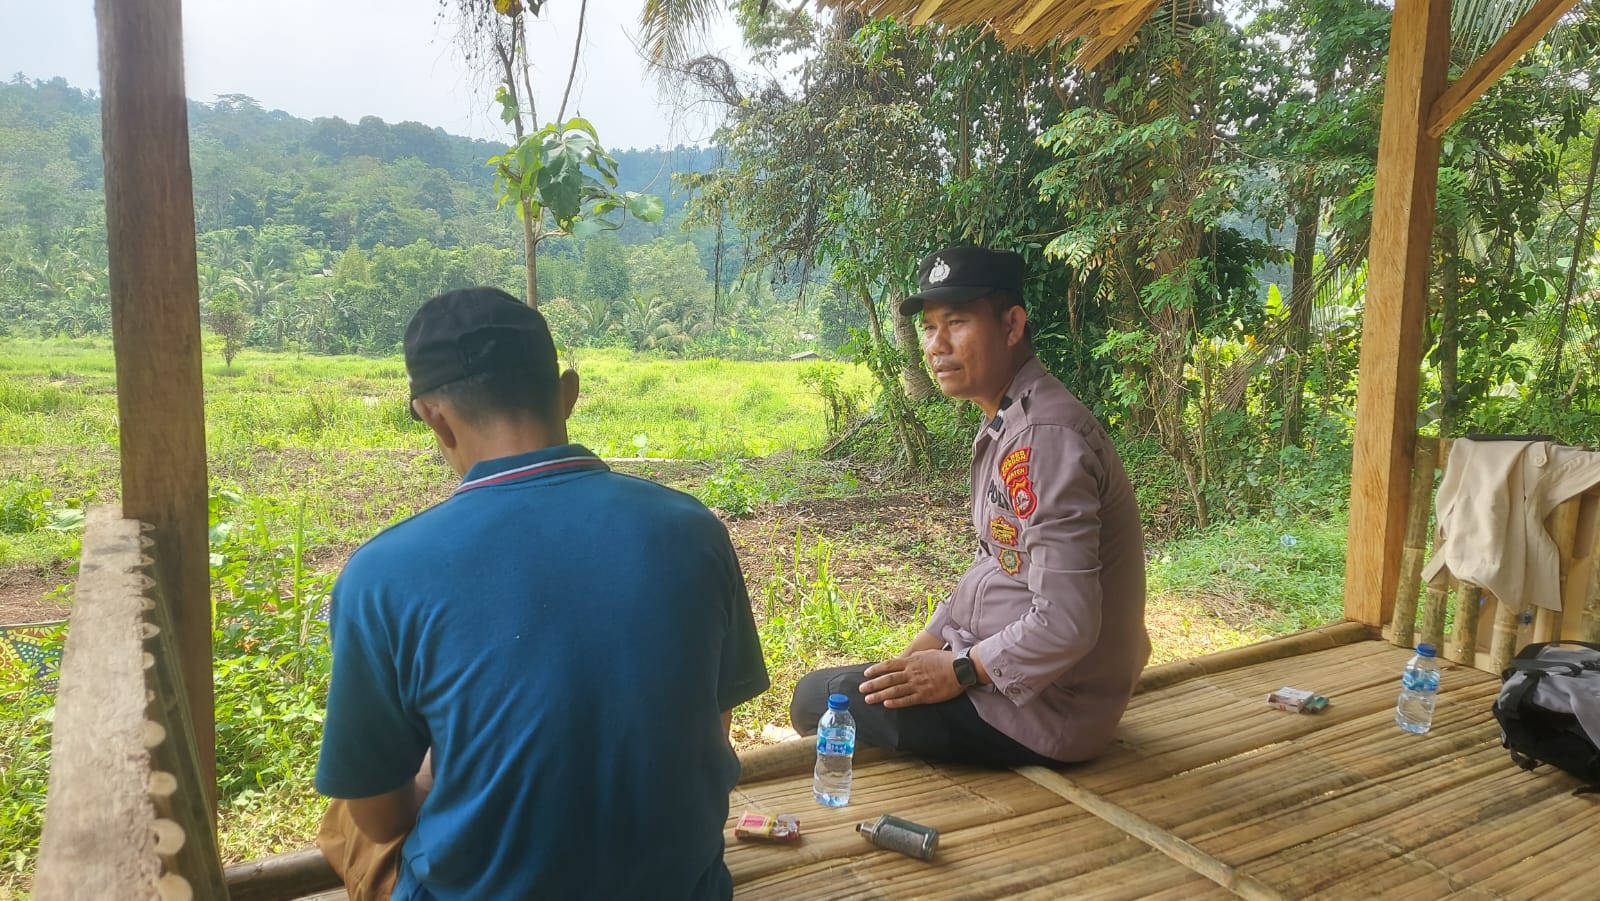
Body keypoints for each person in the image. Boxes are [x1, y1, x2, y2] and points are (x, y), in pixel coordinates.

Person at [314, 287, 769, 901]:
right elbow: (712, 727)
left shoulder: (381, 573)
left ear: (433, 417)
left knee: (346, 815)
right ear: (567, 393)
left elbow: (380, 818)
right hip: (684, 886)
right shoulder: (694, 528)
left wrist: (432, 777)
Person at [790, 246, 1148, 767]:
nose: (937, 346)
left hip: (1045, 712)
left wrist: (959, 671)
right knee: (857, 686)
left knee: (816, 698)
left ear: (1011, 325)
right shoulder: (1010, 420)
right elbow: (995, 561)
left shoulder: (1045, 438)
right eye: (929, 328)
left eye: (956, 323)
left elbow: (1067, 621)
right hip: (999, 675)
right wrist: (919, 654)